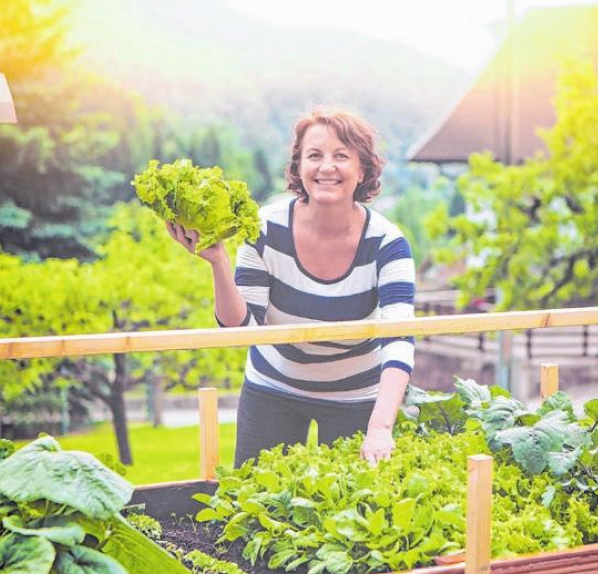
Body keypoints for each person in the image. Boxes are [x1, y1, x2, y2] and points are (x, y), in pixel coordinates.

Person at [165, 108, 416, 467]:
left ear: (362, 170)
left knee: (352, 511)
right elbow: (242, 328)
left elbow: (399, 340)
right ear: (299, 166)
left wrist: (380, 427)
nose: (326, 167)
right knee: (256, 508)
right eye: (314, 155)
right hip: (274, 388)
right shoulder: (264, 228)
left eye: (341, 156)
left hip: (356, 394)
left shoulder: (388, 243)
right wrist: (219, 262)